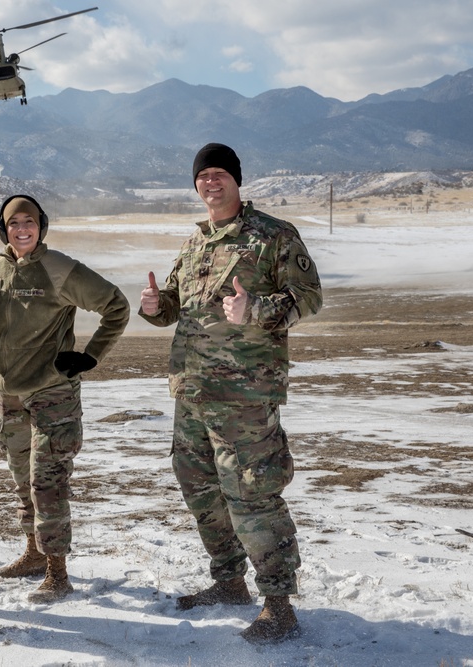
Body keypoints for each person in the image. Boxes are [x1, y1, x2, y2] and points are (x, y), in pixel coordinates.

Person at [139, 143, 322, 644]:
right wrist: (156, 305)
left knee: (252, 492)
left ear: (237, 181)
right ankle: (228, 582)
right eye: (203, 176)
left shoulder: (273, 236)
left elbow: (310, 297)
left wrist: (257, 310)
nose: (211, 182)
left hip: (244, 395)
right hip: (193, 391)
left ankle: (279, 603)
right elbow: (174, 306)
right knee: (200, 488)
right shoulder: (196, 243)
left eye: (220, 174)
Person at [0, 194, 129, 603]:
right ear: (2, 229)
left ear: (41, 226)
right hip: (9, 396)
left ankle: (56, 572)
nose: (21, 229)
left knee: (49, 485)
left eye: (29, 222)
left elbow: (116, 306)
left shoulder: (59, 268)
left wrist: (90, 356)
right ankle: (31, 554)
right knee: (24, 482)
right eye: (12, 223)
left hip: (52, 395)